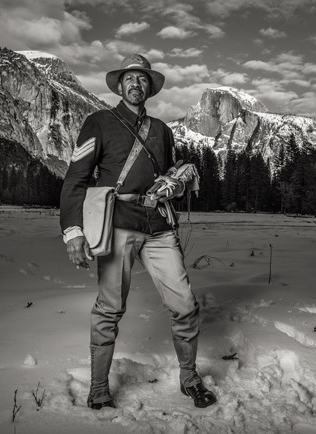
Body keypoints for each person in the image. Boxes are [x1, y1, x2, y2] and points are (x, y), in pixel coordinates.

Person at [59, 54, 217, 410]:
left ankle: (189, 378)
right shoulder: (98, 122)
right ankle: (99, 388)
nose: (136, 84)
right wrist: (73, 231)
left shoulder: (163, 130)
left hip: (159, 226)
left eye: (143, 79)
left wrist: (176, 184)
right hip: (117, 223)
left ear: (150, 87)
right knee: (109, 309)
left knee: (185, 304)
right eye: (130, 78)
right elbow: (75, 179)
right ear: (119, 85)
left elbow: (175, 174)